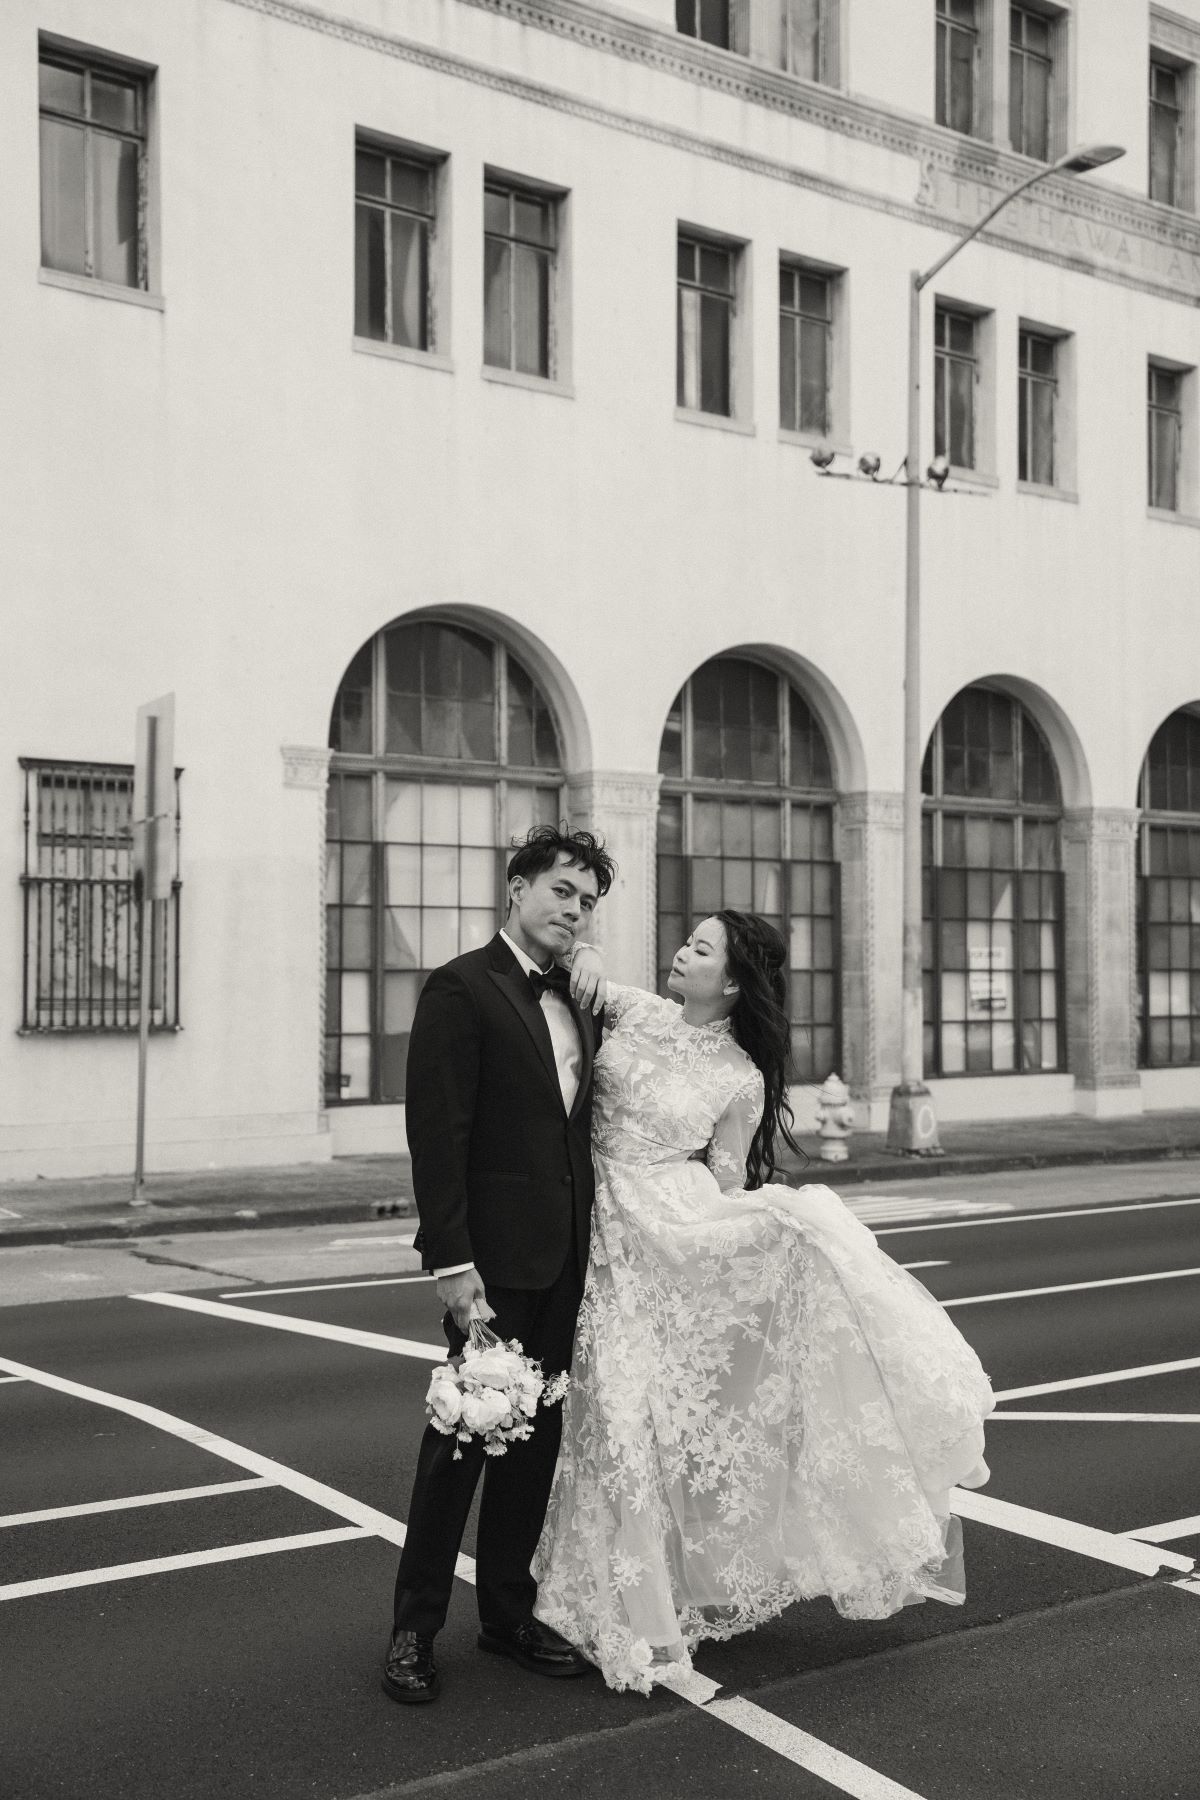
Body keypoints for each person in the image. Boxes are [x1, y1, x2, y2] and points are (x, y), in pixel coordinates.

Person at [533, 910, 994, 1695]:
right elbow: (568, 961)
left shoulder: (740, 1078)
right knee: (610, 1413)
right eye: (688, 939)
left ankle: (647, 1602)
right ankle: (602, 1593)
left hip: (669, 1230)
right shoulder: (636, 1010)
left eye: (702, 948)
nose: (681, 951)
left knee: (632, 1414)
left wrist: (740, 1246)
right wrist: (591, 949)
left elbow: (724, 1180)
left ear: (734, 981)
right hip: (603, 1218)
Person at [382, 824, 615, 1705]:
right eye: (563, 891)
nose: (575, 910)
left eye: (588, 901)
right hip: (491, 1265)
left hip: (566, 1260)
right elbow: (436, 1136)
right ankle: (413, 1630)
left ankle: (508, 1615)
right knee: (460, 1444)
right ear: (517, 888)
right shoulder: (461, 988)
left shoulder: (582, 999)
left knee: (536, 1446)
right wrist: (451, 1260)